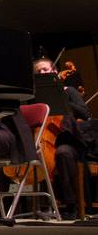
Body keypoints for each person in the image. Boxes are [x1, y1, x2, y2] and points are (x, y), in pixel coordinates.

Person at [33, 57, 91, 219]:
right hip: (44, 139)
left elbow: (85, 114)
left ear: (55, 72)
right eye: (38, 72)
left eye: (45, 69)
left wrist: (62, 98)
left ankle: (70, 205)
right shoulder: (37, 95)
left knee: (63, 154)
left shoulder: (68, 91)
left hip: (68, 140)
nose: (42, 73)